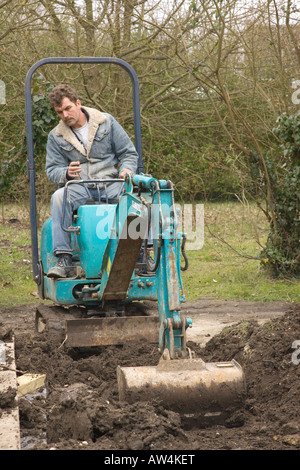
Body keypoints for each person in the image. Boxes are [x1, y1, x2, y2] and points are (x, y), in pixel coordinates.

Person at [45, 84, 138, 278]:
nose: (65, 115)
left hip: (110, 183)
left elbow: (128, 153)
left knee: (138, 198)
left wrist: (126, 170)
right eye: (59, 112)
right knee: (58, 197)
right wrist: (66, 173)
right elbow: (52, 170)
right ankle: (64, 259)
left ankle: (142, 254)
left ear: (78, 104)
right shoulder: (56, 137)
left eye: (68, 108)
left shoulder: (106, 122)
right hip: (80, 186)